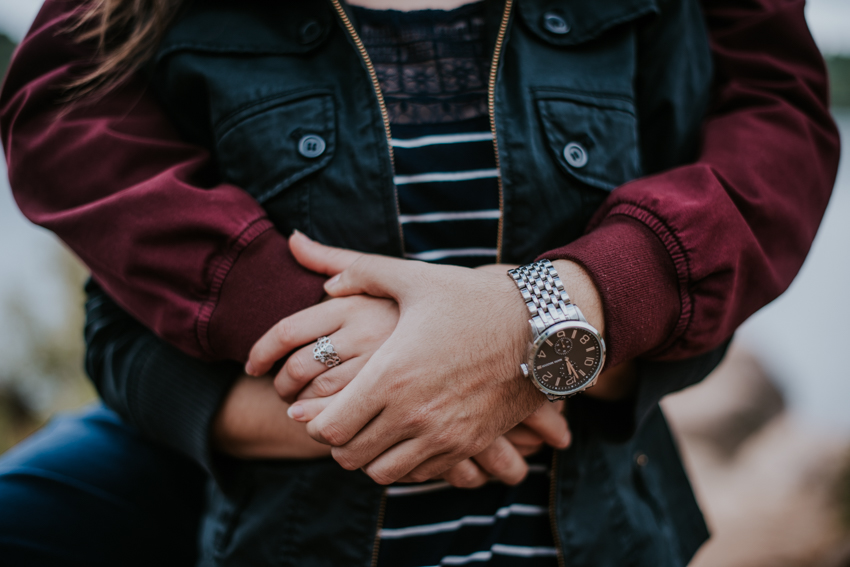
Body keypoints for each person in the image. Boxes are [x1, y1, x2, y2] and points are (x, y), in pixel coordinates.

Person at [0, 0, 839, 565]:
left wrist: (545, 322)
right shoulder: (136, 47)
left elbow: (772, 130)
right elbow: (113, 308)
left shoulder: (669, 32)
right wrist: (361, 354)